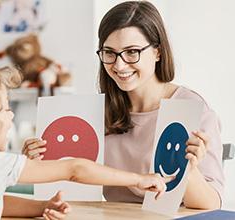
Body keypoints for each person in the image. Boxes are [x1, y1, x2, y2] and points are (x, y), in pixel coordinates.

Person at [22, 1, 224, 210]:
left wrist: (188, 169)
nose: (119, 65)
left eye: (132, 52)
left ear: (158, 52)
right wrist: (35, 164)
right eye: (109, 53)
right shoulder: (95, 113)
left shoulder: (191, 108)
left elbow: (211, 204)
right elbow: (72, 181)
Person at [0, 66, 171, 220]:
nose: (11, 115)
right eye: (4, 109)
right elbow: (75, 169)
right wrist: (136, 179)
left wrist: (41, 207)